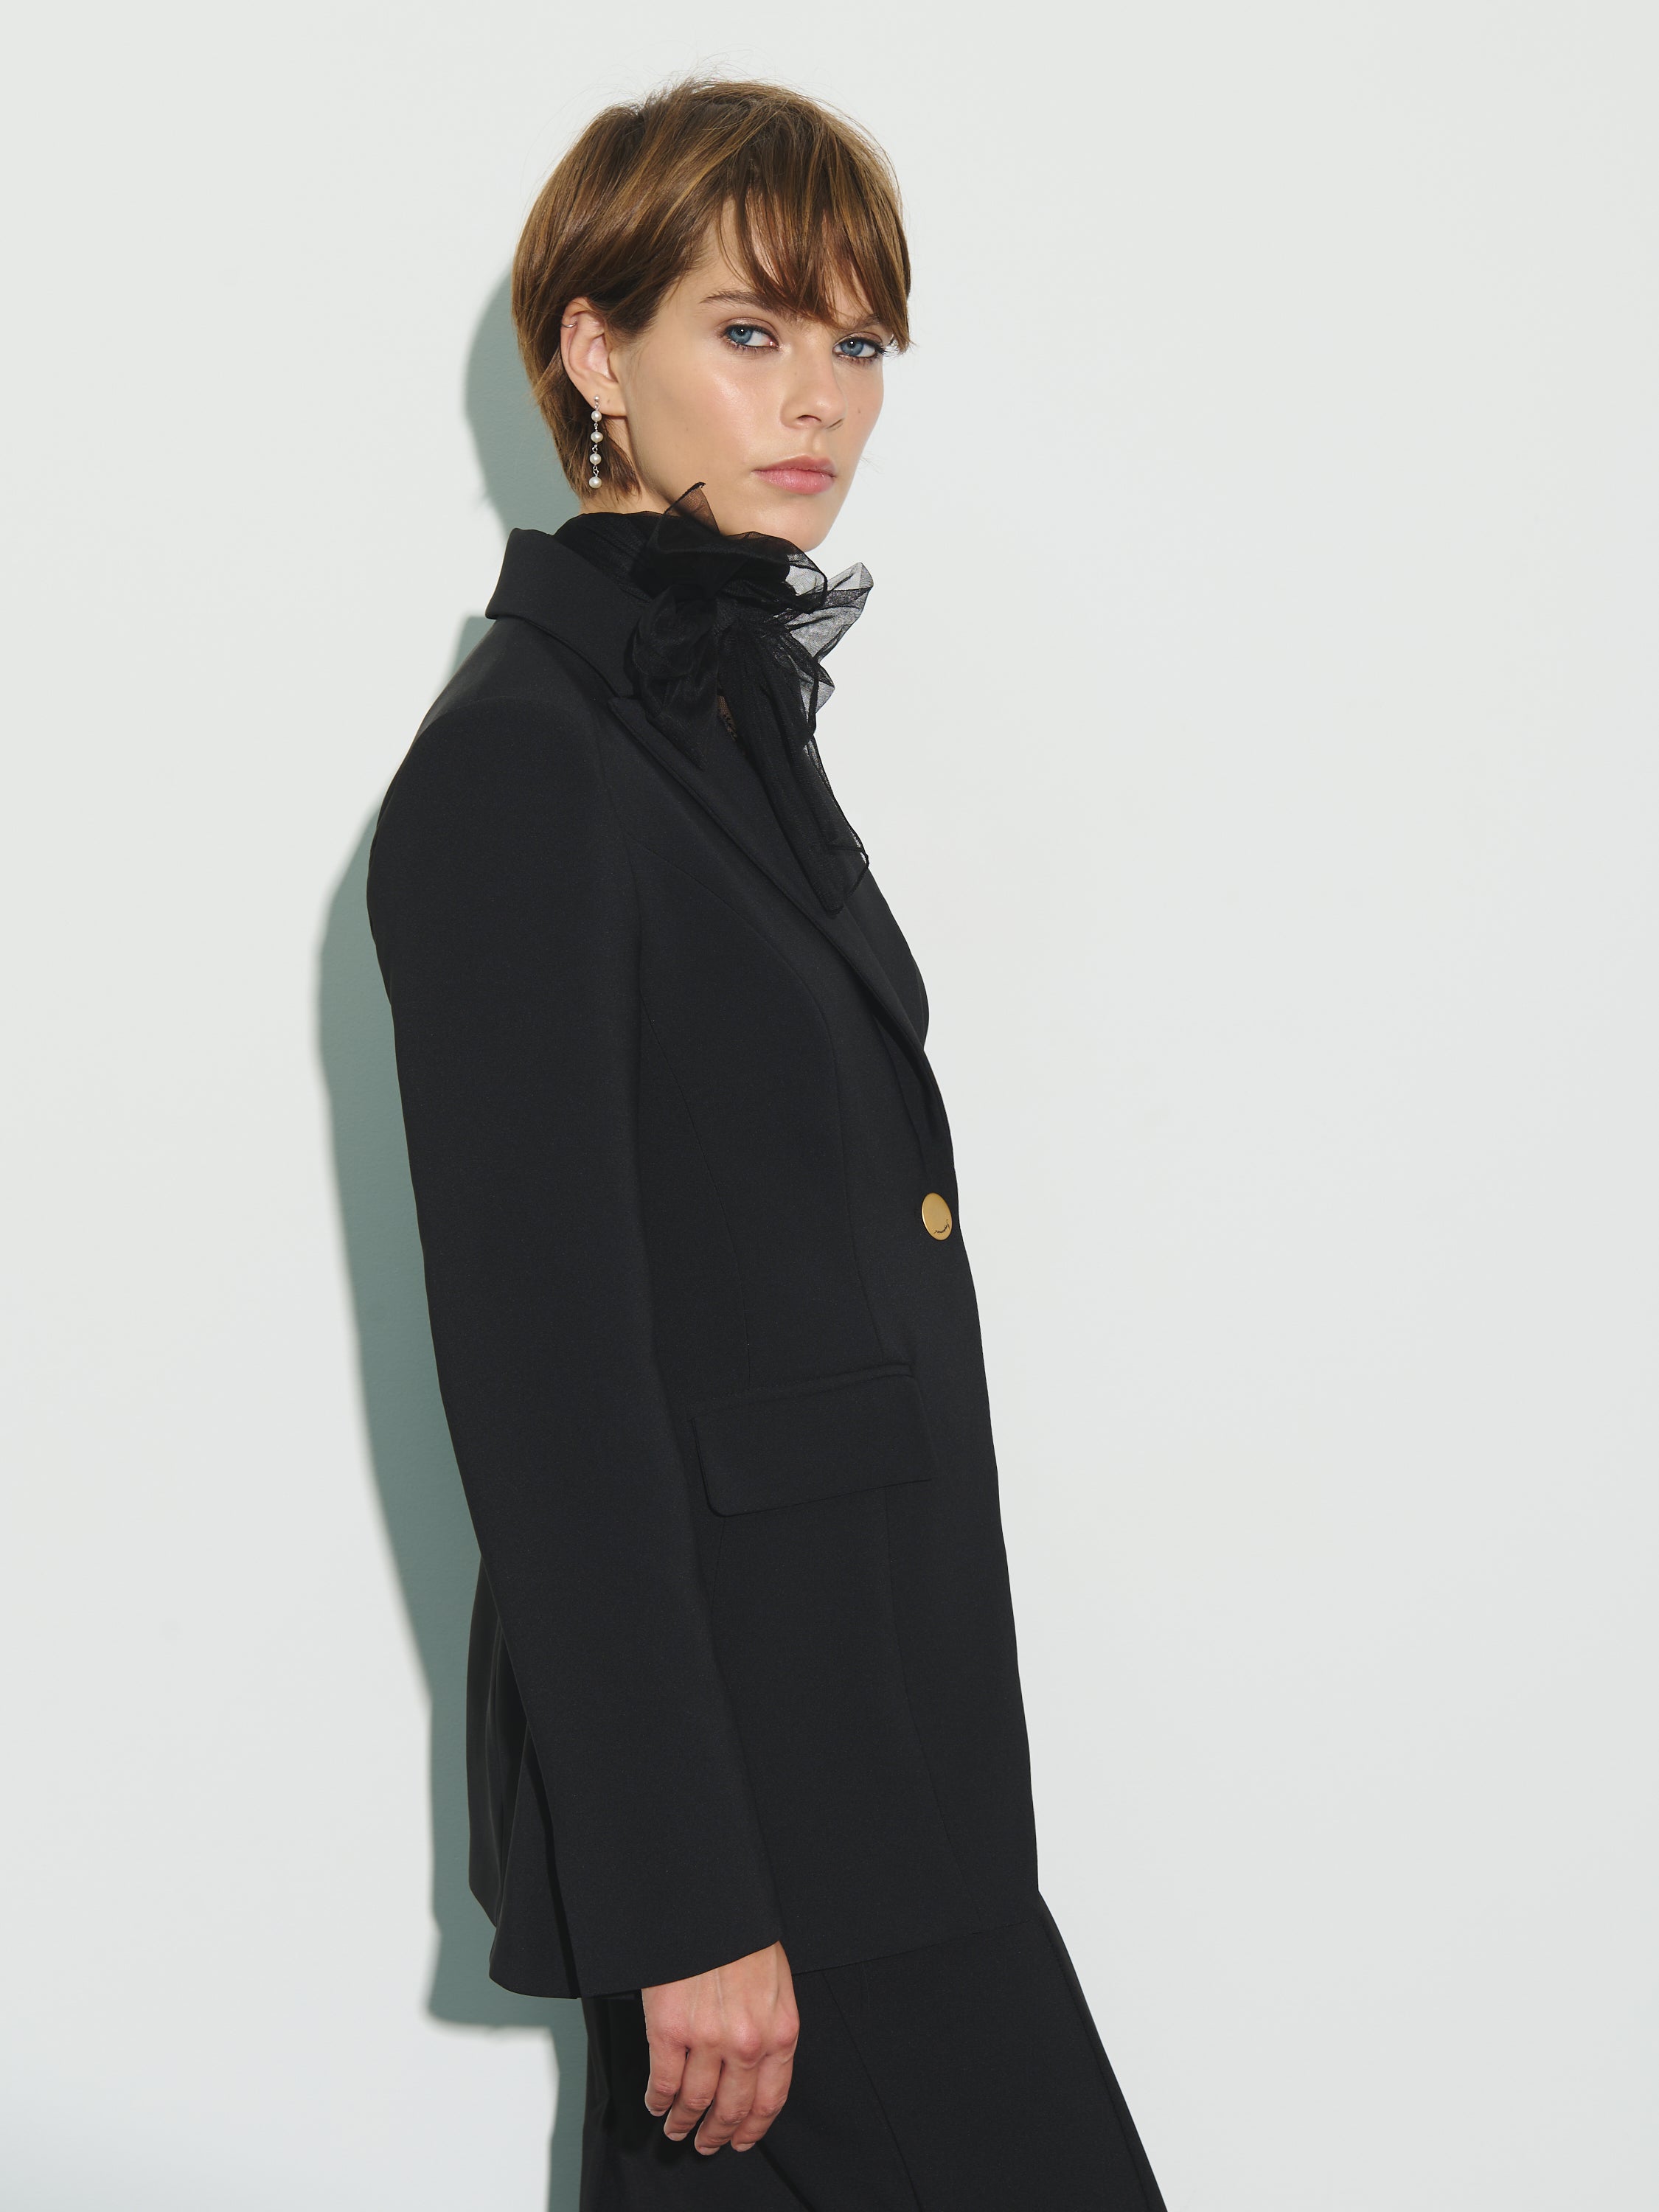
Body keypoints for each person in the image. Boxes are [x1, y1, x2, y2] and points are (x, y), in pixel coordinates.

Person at [369, 77, 1168, 2211]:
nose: (819, 398)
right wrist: (686, 1897)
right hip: (770, 1816)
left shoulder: (709, 720)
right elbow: (548, 1389)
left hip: (882, 1756)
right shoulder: (524, 766)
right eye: (749, 331)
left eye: (856, 341)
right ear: (593, 350)